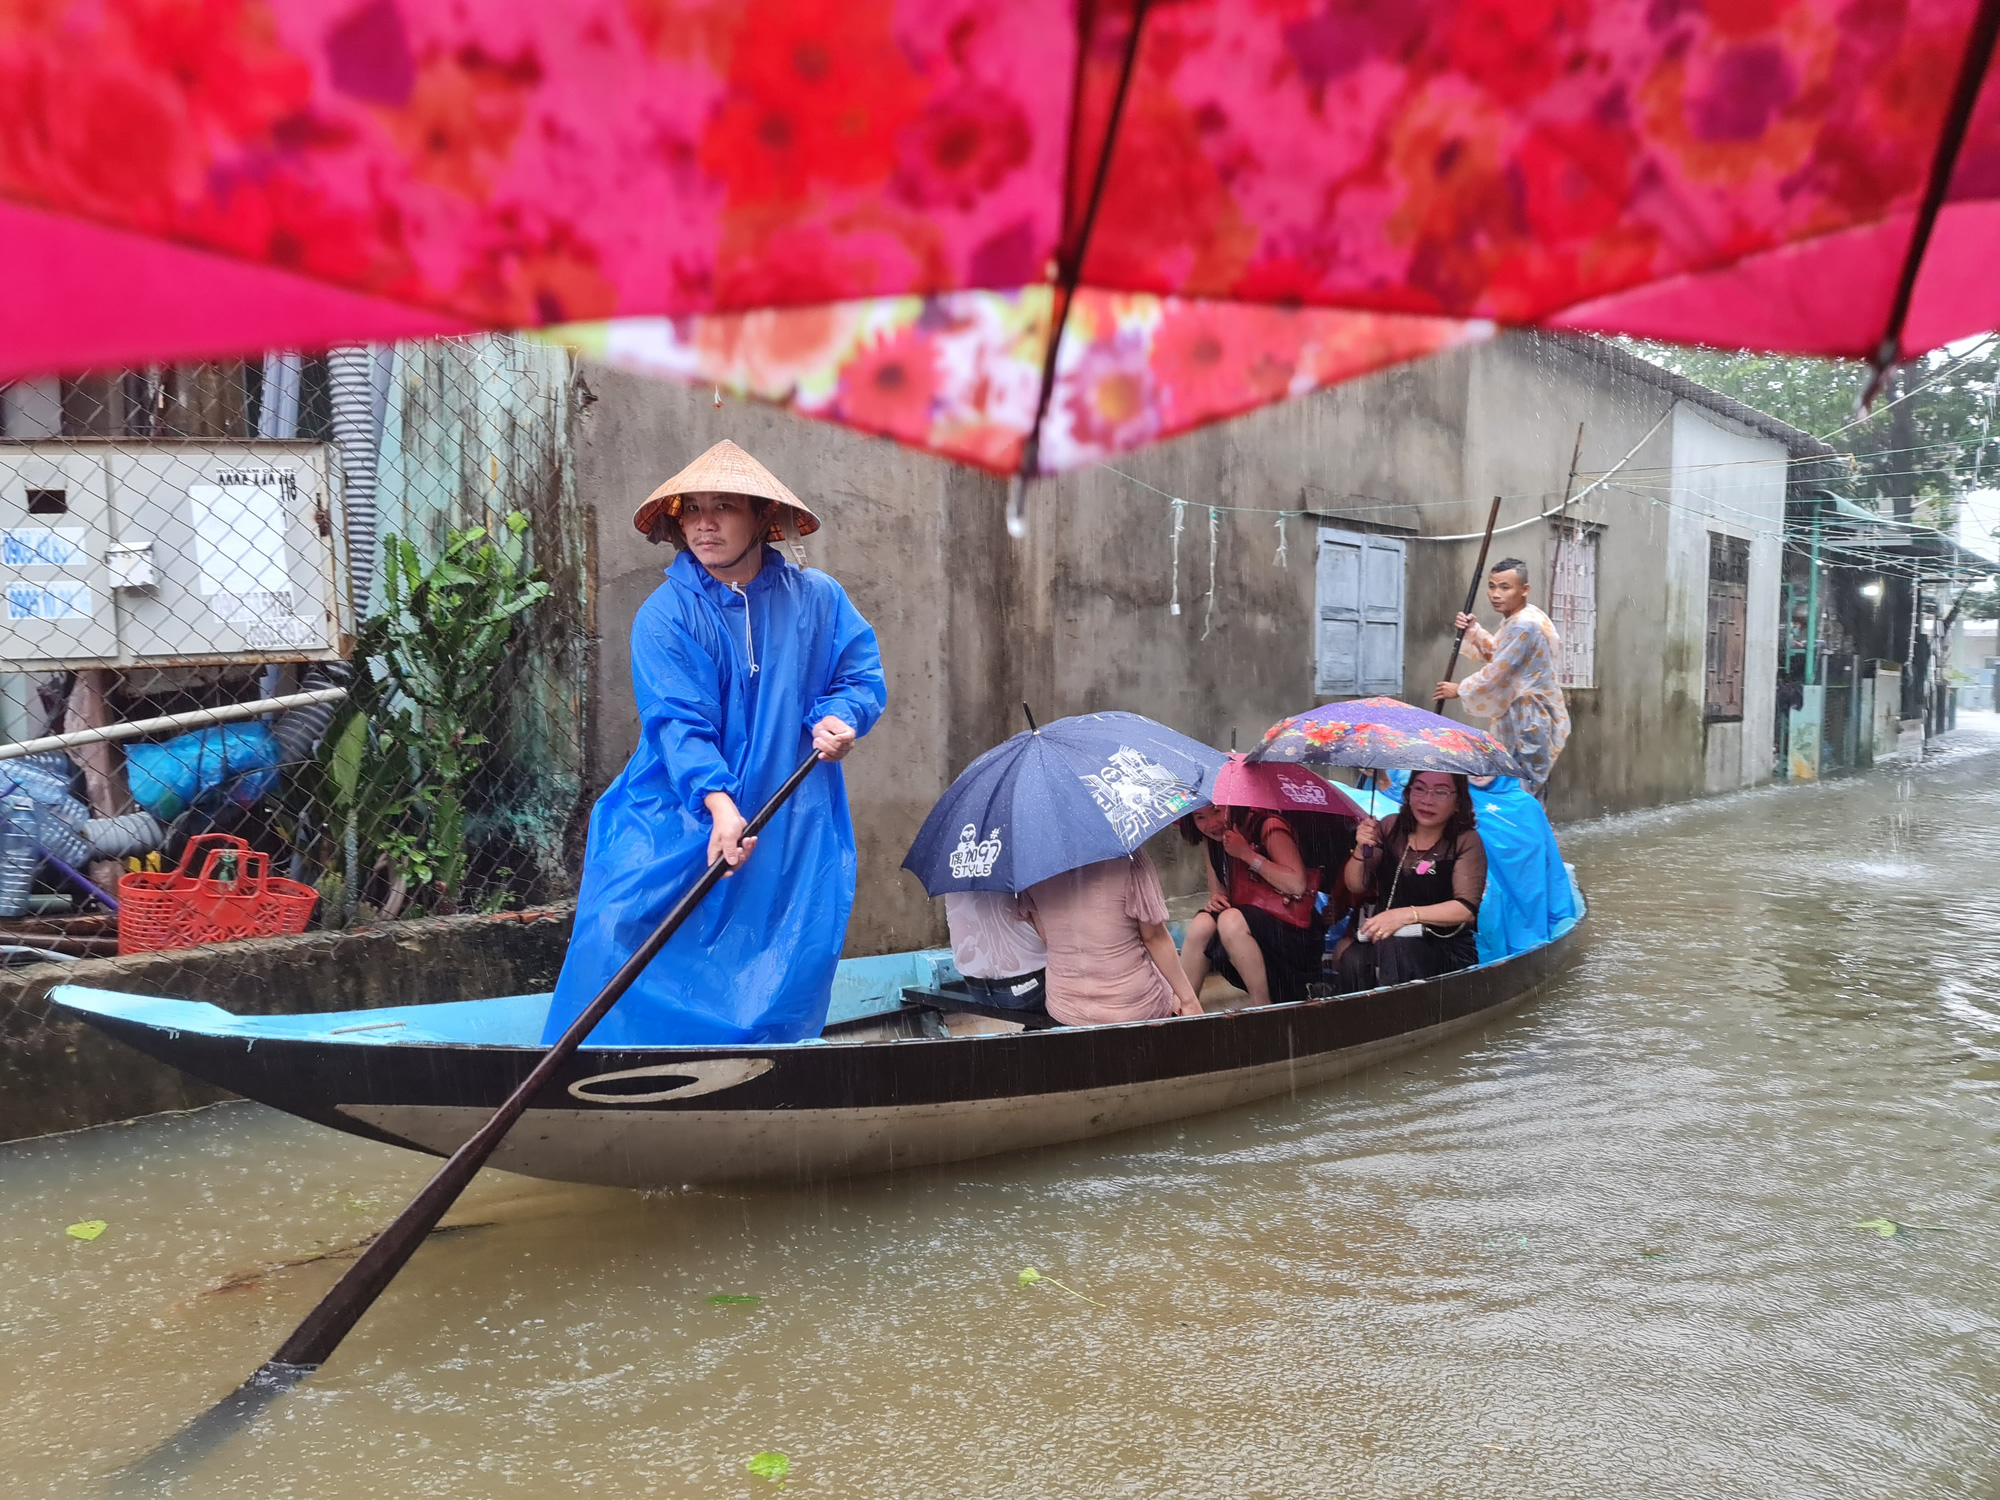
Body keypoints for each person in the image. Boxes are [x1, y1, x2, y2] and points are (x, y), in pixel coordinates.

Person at [542, 440, 887, 1047]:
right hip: (680, 806)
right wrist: (720, 806)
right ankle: (607, 1068)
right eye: (691, 508)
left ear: (762, 518)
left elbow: (857, 678)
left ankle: (765, 1080)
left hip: (790, 812)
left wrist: (842, 719)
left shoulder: (819, 599)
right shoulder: (664, 614)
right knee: (614, 925)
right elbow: (677, 723)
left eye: (723, 506)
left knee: (791, 943)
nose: (703, 522)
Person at [1334, 771, 1487, 992]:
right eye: (1419, 788)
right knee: (1354, 959)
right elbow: (1356, 885)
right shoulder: (1390, 827)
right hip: (1386, 937)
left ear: (1458, 802)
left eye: (1441, 792)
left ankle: (1403, 1018)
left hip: (1442, 944)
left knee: (1397, 949)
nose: (1427, 800)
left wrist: (1404, 916)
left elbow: (1465, 909)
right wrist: (1360, 848)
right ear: (1408, 792)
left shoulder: (1466, 840)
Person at [1435, 557, 1571, 797]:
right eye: (1491, 586)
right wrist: (1472, 631)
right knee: (1512, 780)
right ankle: (1518, 831)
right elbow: (1499, 652)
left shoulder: (1524, 624)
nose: (1495, 594)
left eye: (1505, 587)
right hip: (1521, 712)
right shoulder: (1520, 618)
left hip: (1530, 716)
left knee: (1523, 785)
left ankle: (1524, 833)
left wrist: (1460, 689)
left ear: (1524, 590)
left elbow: (1499, 670)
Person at [1020, 851, 1205, 1026]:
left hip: (1065, 1008)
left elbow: (1047, 937)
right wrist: (1189, 1000)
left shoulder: (1030, 865)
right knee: (1171, 999)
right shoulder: (1128, 858)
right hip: (1135, 1008)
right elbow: (1154, 938)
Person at [1176, 804, 1324, 1006]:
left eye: (1217, 812)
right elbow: (1219, 893)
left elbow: (1296, 885)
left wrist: (1247, 854)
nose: (1211, 824)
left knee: (1230, 920)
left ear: (1232, 805)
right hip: (1246, 929)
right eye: (1199, 817)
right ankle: (1183, 1010)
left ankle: (1262, 1007)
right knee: (1202, 923)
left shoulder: (1267, 825)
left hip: (1293, 936)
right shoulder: (1213, 841)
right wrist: (1217, 901)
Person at [944, 889, 1050, 1011]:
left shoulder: (953, 883)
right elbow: (1048, 937)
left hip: (976, 988)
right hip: (1027, 987)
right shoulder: (1020, 881)